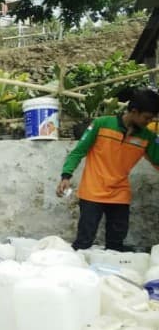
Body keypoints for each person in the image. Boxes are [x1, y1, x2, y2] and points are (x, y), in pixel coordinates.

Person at [56, 87, 159, 252]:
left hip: (120, 195)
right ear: (134, 111)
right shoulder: (102, 124)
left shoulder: (147, 137)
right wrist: (66, 176)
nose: (149, 122)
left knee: (116, 245)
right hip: (92, 192)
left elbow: (157, 160)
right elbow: (78, 152)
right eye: (147, 118)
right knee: (84, 242)